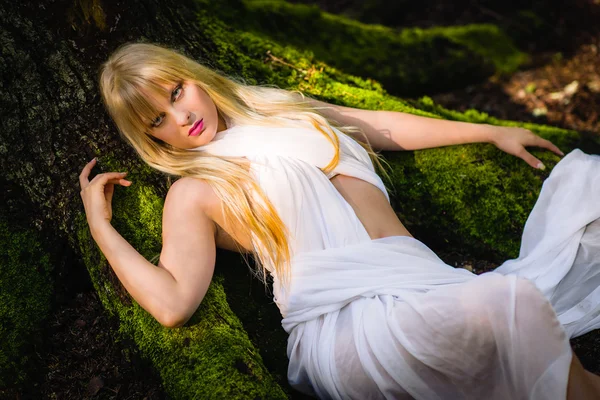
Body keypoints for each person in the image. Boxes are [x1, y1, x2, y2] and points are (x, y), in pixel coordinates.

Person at [79, 42, 600, 399]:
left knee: (580, 207)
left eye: (175, 94)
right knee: (514, 305)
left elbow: (378, 125)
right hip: (349, 329)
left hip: (423, 285)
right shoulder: (195, 191)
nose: (181, 117)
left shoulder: (276, 109)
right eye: (157, 120)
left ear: (192, 78)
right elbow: (172, 304)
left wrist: (488, 132)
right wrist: (100, 227)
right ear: (152, 139)